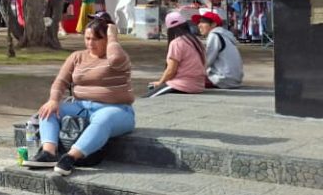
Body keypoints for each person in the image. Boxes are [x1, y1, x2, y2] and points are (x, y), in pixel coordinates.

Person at [24, 12, 135, 176]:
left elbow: (116, 59)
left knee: (103, 120)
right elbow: (60, 81)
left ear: (107, 39)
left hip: (117, 109)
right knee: (48, 110)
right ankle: (49, 153)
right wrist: (53, 100)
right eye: (87, 38)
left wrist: (113, 36)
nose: (90, 43)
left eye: (96, 39)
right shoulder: (77, 57)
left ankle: (70, 157)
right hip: (82, 106)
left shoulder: (118, 56)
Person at [146, 11, 207, 97]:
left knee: (148, 97)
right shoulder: (197, 41)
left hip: (182, 84)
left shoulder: (177, 43)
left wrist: (160, 82)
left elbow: (171, 70)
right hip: (198, 85)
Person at [194, 11, 244, 89]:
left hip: (222, 79)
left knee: (187, 80)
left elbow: (207, 61)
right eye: (199, 22)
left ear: (213, 24)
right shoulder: (225, 35)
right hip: (233, 79)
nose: (199, 25)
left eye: (203, 22)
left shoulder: (214, 35)